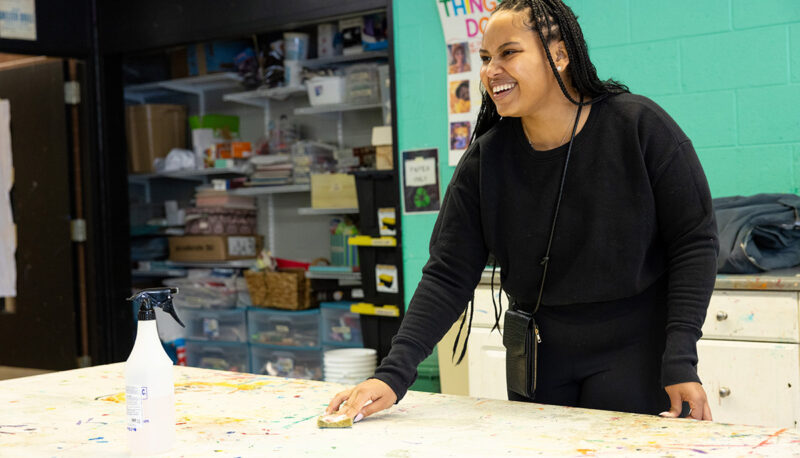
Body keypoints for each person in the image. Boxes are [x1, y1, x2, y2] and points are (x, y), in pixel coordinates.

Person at [327, 0, 717, 422]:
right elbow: (447, 275)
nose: (491, 70)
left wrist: (681, 357)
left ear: (561, 55)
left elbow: (694, 242)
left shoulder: (638, 127)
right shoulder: (485, 162)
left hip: (636, 351)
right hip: (538, 355)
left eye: (509, 53)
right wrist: (392, 374)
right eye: (485, 58)